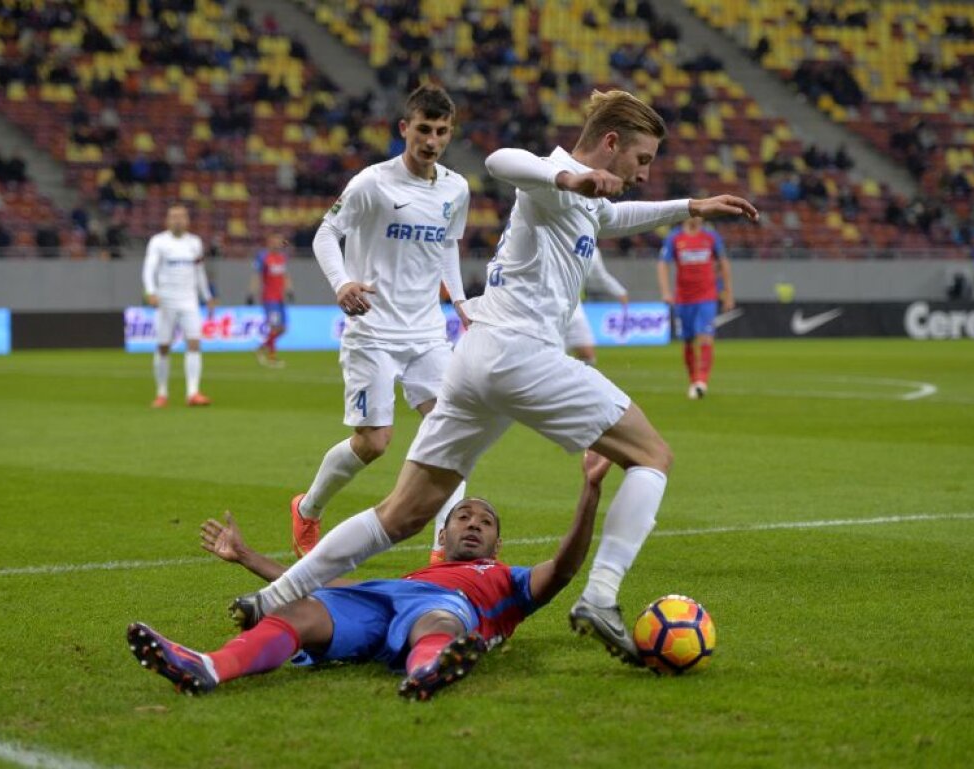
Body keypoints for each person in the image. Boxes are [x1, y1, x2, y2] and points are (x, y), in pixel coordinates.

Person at [233, 90, 757, 666]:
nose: (643, 173)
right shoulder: (549, 181)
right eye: (643, 159)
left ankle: (273, 597)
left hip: (474, 357)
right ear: (611, 143)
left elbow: (615, 217)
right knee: (652, 457)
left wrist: (691, 207)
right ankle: (601, 595)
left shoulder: (585, 200)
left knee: (404, 512)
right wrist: (566, 177)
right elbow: (501, 161)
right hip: (522, 354)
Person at [127, 452, 613, 701]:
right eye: (463, 517)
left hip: (447, 613)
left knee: (438, 619)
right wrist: (248, 556)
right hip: (387, 601)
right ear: (441, 535)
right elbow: (321, 582)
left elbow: (566, 568)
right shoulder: (413, 573)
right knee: (298, 609)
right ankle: (209, 668)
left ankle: (429, 668)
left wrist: (590, 491)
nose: (473, 524)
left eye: (485, 522)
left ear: (498, 545)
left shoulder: (507, 579)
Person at [290, 84, 471, 562]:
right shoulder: (373, 183)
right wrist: (342, 282)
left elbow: (448, 244)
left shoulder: (456, 188)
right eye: (424, 130)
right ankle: (308, 507)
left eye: (441, 132)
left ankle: (443, 551)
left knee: (449, 432)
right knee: (374, 443)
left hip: (428, 332)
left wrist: (460, 301)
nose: (431, 141)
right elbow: (327, 233)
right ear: (404, 129)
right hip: (373, 330)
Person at [142, 205, 214, 408]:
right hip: (166, 300)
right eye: (173, 217)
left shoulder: (195, 243)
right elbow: (149, 268)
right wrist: (151, 291)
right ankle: (162, 393)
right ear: (167, 220)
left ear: (187, 220)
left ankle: (193, 393)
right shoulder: (159, 242)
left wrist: (207, 296)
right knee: (164, 346)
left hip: (189, 300)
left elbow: (199, 272)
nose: (178, 220)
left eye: (181, 217)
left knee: (194, 343)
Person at [657, 216, 734, 399]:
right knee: (688, 340)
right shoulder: (674, 238)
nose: (698, 218)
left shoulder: (711, 237)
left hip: (707, 295)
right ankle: (693, 381)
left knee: (706, 337)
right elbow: (662, 264)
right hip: (683, 298)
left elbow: (723, 263)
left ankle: (701, 381)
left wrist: (728, 293)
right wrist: (666, 292)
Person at [565, 246, 629, 366]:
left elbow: (601, 276)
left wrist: (620, 292)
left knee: (588, 355)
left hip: (575, 307)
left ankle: (577, 383)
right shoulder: (555, 238)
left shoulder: (592, 249)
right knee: (553, 357)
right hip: (549, 307)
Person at [251, 232, 292, 368]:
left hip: (280, 298)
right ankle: (272, 357)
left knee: (283, 328)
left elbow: (285, 275)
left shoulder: (282, 258)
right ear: (269, 242)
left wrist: (289, 290)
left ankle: (261, 349)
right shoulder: (263, 257)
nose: (277, 243)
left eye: (279, 241)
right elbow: (257, 275)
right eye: (275, 241)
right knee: (274, 327)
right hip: (269, 298)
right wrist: (252, 293)